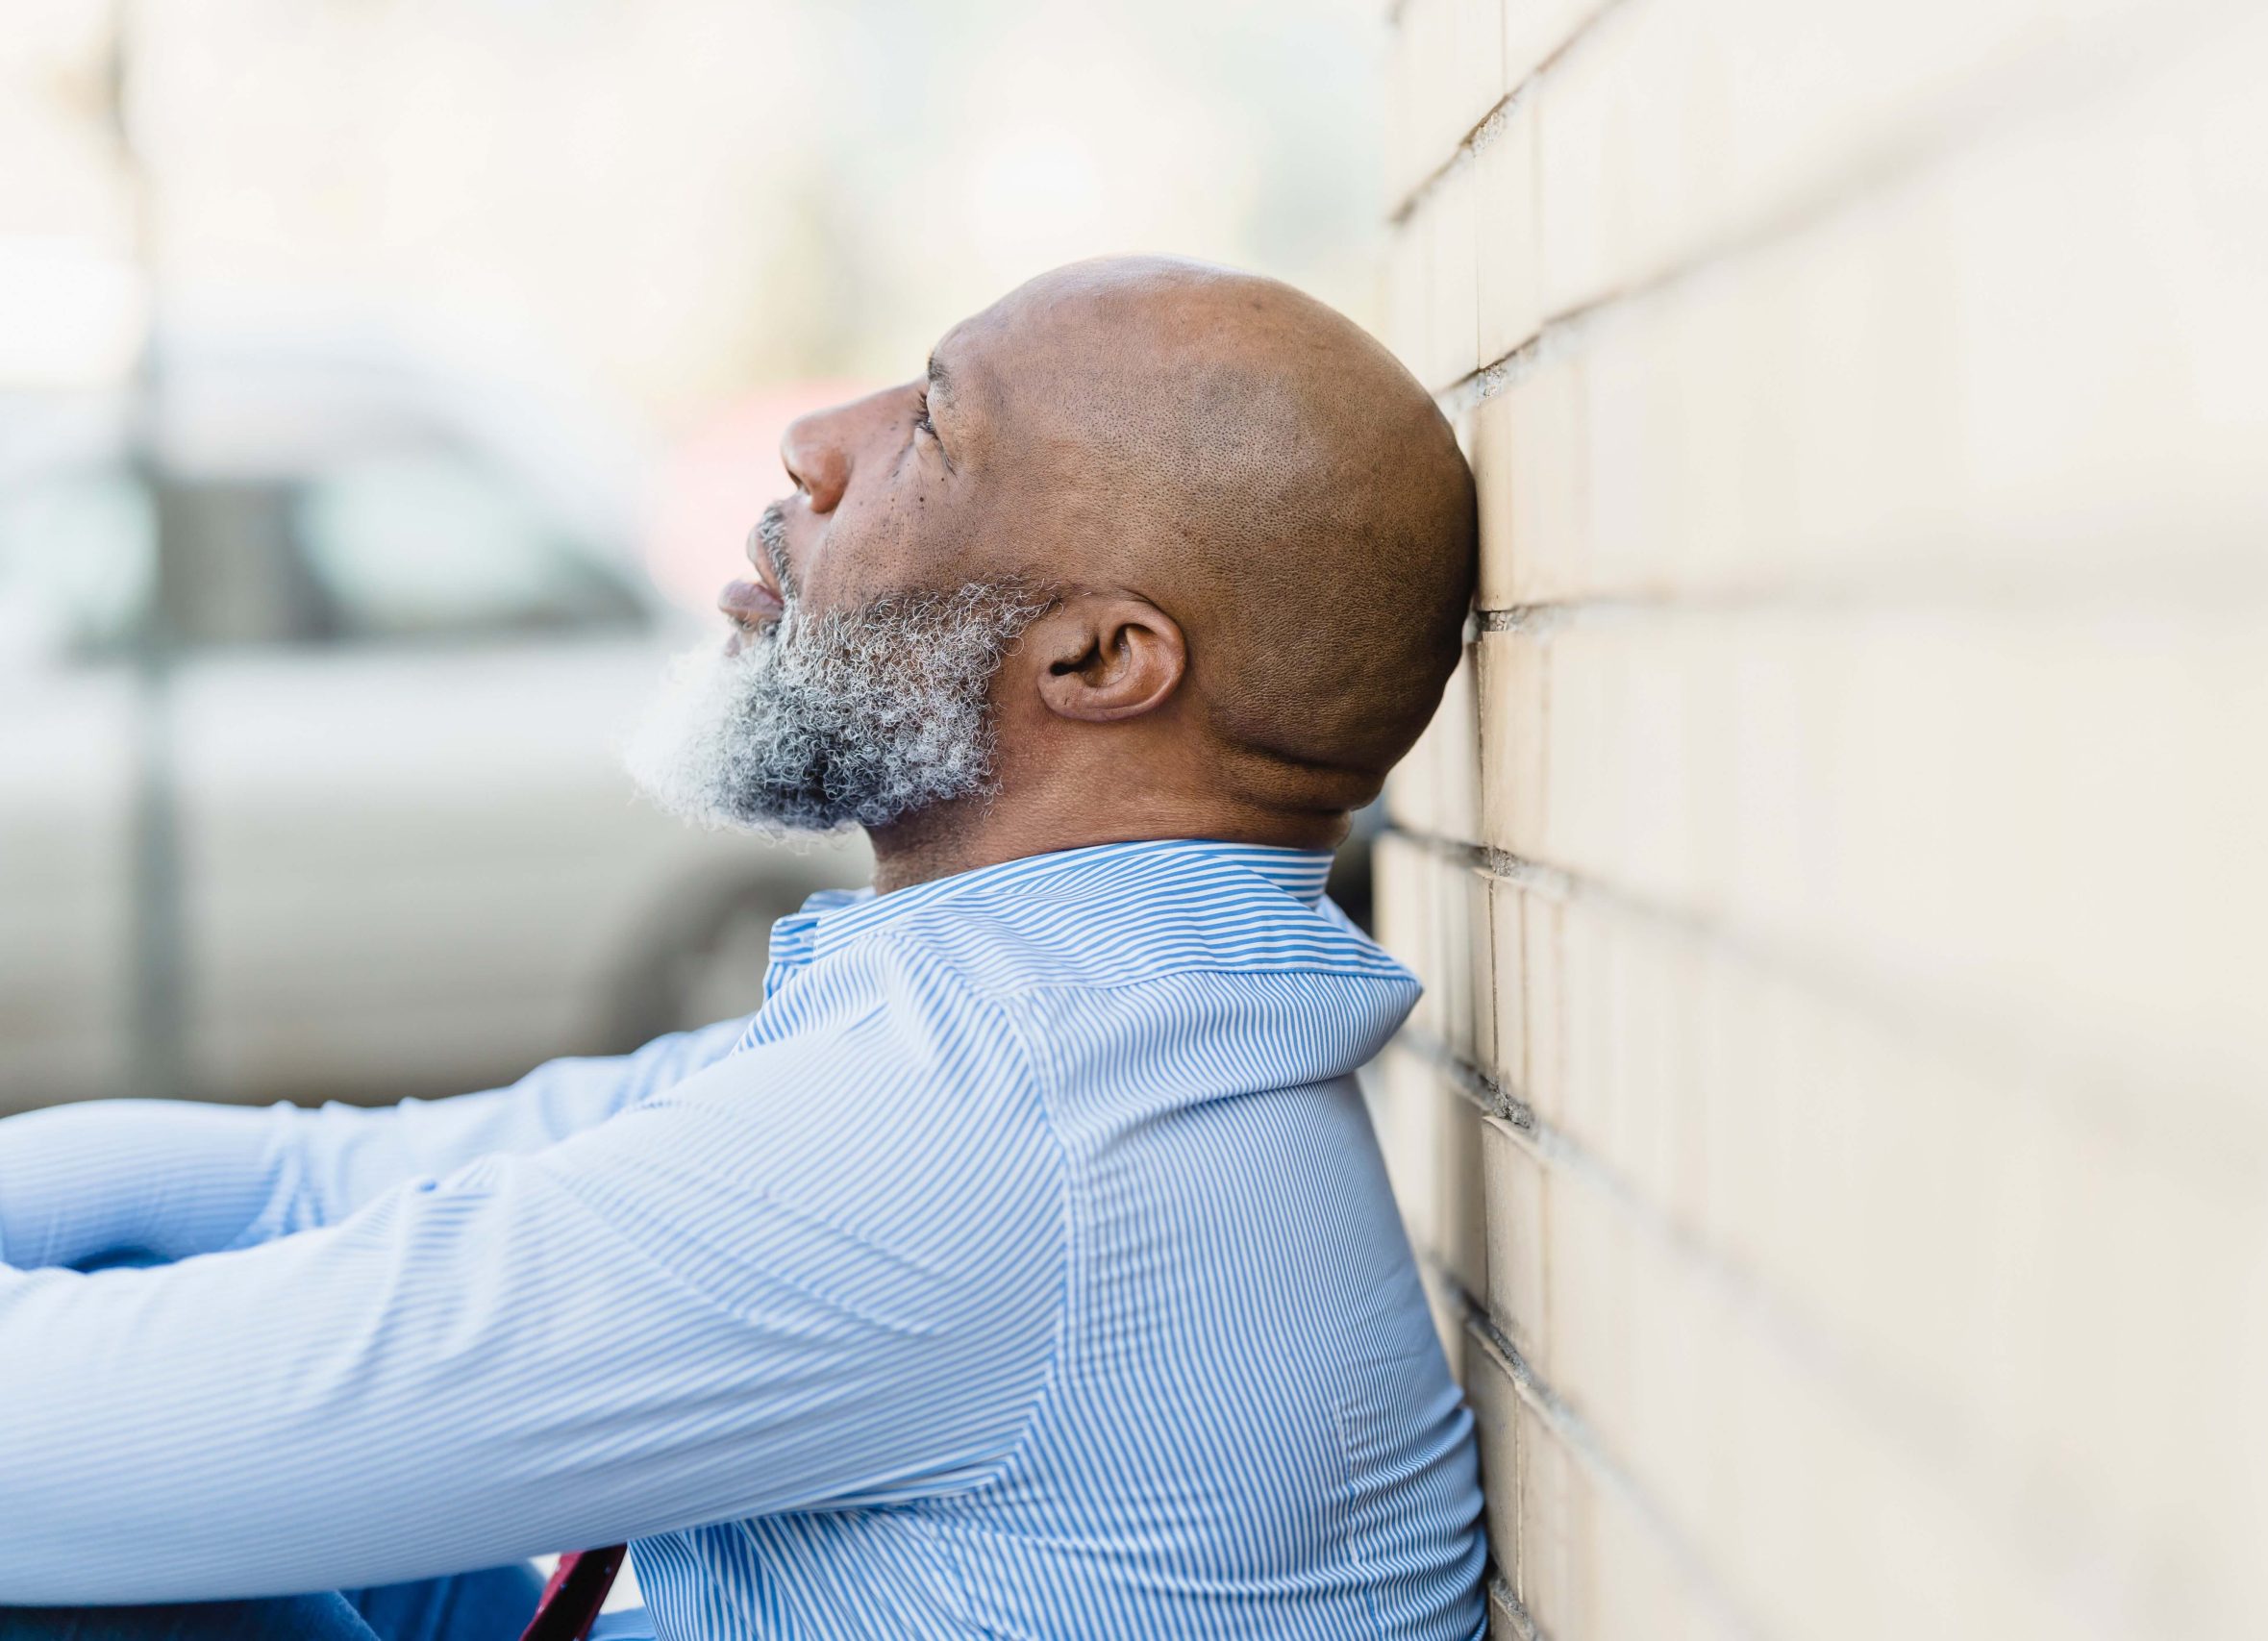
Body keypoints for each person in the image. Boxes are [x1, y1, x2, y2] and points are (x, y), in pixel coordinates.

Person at [0, 256, 1485, 1641]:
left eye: (929, 429)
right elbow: (317, 1180)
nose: (813, 444)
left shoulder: (988, 1126)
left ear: (1098, 661)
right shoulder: (1082, 1026)